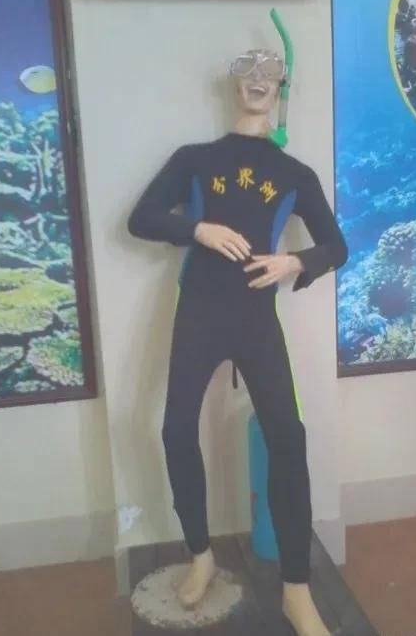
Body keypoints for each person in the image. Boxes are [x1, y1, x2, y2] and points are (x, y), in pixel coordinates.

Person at [127, 46, 348, 636]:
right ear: (233, 84)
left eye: (268, 73)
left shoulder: (295, 173)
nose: (257, 80)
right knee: (176, 430)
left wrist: (294, 263)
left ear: (281, 87)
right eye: (246, 71)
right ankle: (201, 555)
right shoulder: (194, 159)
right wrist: (197, 228)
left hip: (256, 319)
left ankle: (297, 590)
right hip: (198, 312)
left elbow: (337, 246)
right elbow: (141, 217)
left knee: (288, 438)